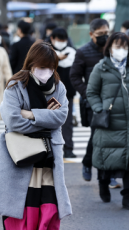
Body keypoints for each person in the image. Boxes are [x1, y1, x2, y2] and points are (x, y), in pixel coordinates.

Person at [0, 42, 72, 229]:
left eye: (50, 67)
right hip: (21, 153)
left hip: (48, 158)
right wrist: (46, 120)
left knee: (48, 209)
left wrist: (31, 114)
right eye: (42, 67)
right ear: (31, 64)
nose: (46, 71)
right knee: (21, 209)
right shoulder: (15, 85)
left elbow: (61, 116)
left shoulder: (59, 87)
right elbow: (13, 120)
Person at [86, 32, 129, 210]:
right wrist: (100, 109)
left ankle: (128, 196)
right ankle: (103, 183)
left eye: (124, 46)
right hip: (111, 122)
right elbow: (91, 93)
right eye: (117, 46)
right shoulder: (101, 68)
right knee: (108, 157)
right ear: (109, 48)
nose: (121, 50)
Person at [70, 18, 108, 181]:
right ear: (91, 34)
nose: (104, 37)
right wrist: (88, 93)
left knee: (110, 137)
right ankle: (88, 162)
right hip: (93, 102)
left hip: (112, 100)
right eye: (100, 34)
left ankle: (109, 173)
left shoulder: (112, 49)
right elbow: (75, 76)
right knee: (98, 134)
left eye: (107, 33)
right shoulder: (83, 52)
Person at [49, 28, 77, 158]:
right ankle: (50, 149)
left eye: (63, 40)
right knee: (50, 121)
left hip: (68, 93)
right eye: (58, 40)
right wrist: (56, 59)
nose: (61, 42)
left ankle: (68, 148)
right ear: (52, 39)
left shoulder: (72, 52)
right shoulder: (47, 52)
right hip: (50, 92)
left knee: (68, 122)